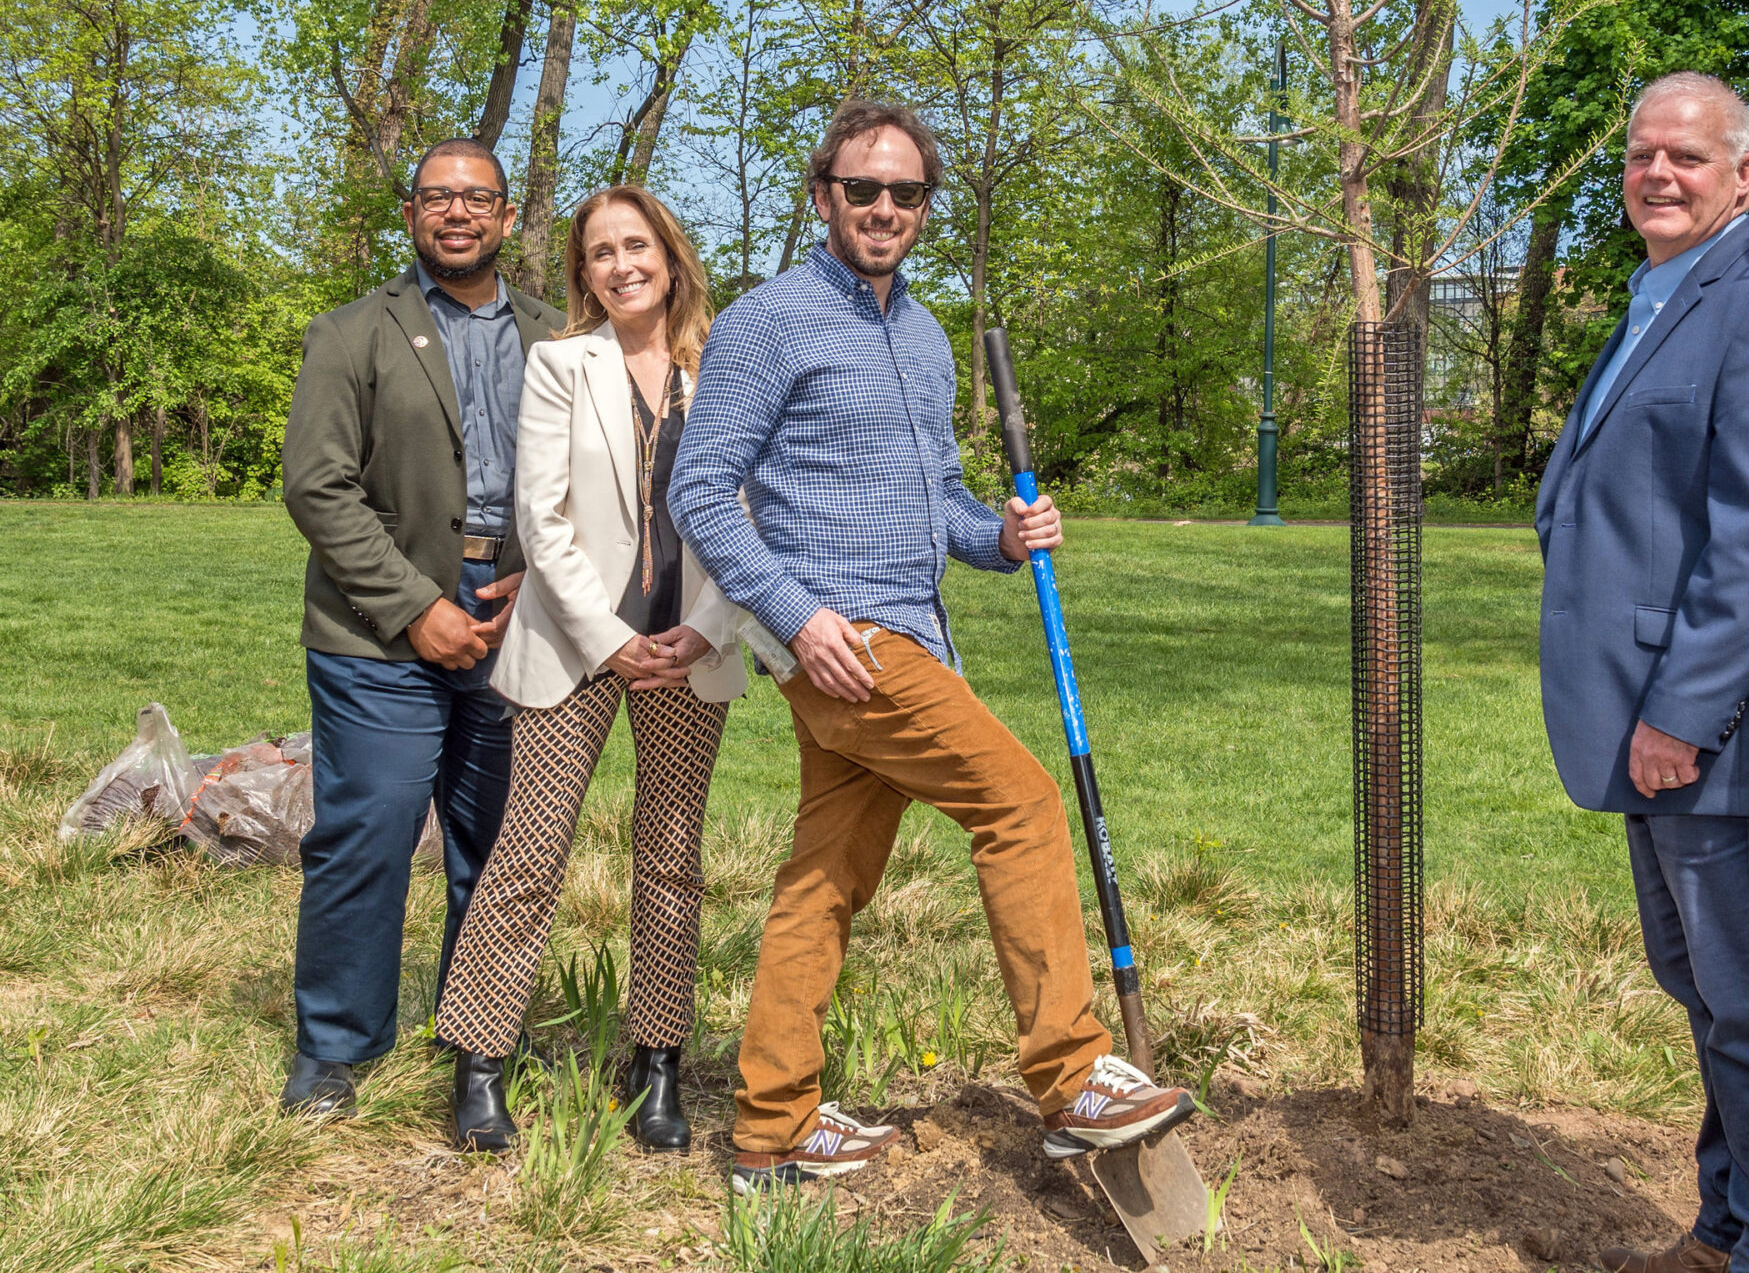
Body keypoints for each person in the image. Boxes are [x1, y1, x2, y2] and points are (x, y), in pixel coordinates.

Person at [669, 97, 1196, 1194]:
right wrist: (798, 618)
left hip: (903, 630)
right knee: (1021, 803)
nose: (883, 208)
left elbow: (939, 502)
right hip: (844, 640)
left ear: (924, 207)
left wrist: (1000, 536)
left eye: (906, 193)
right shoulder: (767, 322)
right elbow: (700, 493)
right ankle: (1071, 1071)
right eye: (862, 188)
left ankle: (769, 1127)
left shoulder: (921, 332)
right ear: (822, 195)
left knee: (824, 878)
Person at [1537, 73, 1749, 1273]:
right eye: (1640, 155)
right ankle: (1728, 1225)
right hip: (1647, 722)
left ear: (1744, 174)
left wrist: (1681, 712)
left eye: (1685, 155)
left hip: (1721, 733)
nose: (1657, 174)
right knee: (1703, 985)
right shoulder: (1659, 296)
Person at [433, 185, 749, 1154]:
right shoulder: (562, 365)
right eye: (600, 253)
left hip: (691, 644)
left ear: (670, 253)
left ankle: (656, 1061)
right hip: (575, 644)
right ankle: (479, 1059)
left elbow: (750, 513)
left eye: (636, 245)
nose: (621, 265)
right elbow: (541, 519)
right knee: (528, 853)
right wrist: (613, 638)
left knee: (669, 859)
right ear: (583, 274)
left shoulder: (724, 368)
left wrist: (699, 627)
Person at [279, 138, 566, 1115]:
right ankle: (334, 1047)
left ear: (506, 218)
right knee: (369, 832)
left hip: (519, 622)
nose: (457, 212)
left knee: (499, 843)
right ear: (410, 214)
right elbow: (318, 488)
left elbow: (596, 486)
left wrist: (545, 579)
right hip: (378, 633)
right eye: (437, 197)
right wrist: (416, 607)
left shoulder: (562, 338)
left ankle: (481, 1035)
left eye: (476, 198)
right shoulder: (351, 333)